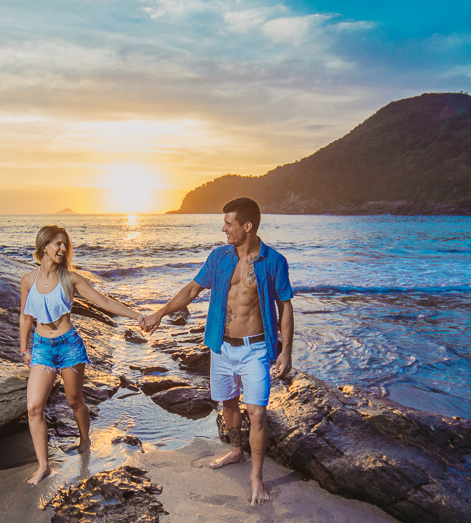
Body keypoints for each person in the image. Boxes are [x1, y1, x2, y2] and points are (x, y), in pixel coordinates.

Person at [144, 197, 294, 505]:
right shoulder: (219, 257)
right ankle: (236, 450)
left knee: (257, 412)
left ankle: (256, 477)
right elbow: (192, 289)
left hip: (255, 349)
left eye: (229, 223)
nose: (223, 229)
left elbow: (285, 306)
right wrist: (160, 312)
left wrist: (286, 351)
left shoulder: (274, 261)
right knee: (228, 403)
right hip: (222, 346)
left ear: (247, 226)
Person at [20, 225, 146, 486]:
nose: (63, 248)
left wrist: (137, 316)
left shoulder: (71, 279)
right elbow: (25, 316)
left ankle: (85, 439)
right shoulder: (28, 280)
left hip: (69, 346)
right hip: (42, 347)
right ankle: (43, 466)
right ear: (44, 246)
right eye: (57, 243)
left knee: (74, 401)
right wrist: (24, 349)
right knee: (34, 407)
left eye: (65, 244)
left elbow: (104, 302)